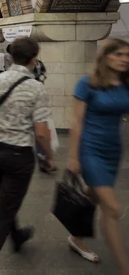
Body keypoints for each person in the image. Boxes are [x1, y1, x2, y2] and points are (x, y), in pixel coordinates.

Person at [0, 37, 54, 275]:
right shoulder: (36, 88)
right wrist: (49, 156)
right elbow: (41, 133)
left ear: (10, 57)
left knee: (6, 198)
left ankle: (17, 235)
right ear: (34, 59)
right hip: (19, 155)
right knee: (2, 213)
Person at [67, 38, 129, 271]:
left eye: (128, 56)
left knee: (93, 194)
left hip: (113, 149)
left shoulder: (125, 85)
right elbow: (77, 121)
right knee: (112, 208)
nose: (125, 60)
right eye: (119, 54)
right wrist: (73, 157)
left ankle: (75, 236)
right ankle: (125, 268)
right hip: (90, 148)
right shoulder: (88, 83)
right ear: (106, 56)